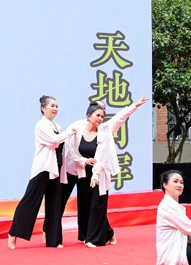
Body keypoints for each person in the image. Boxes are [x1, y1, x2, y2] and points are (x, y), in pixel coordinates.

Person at [62, 96, 148, 247]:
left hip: (99, 174)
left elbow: (119, 118)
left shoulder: (104, 130)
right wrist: (84, 161)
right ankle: (107, 233)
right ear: (88, 116)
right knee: (86, 205)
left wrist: (134, 106)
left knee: (97, 205)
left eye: (102, 116)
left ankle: (93, 239)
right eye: (98, 115)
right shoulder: (78, 129)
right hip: (83, 173)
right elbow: (73, 153)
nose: (100, 118)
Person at [8, 95, 76, 249]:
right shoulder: (41, 126)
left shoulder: (56, 126)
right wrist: (69, 132)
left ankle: (53, 240)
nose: (55, 108)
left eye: (56, 106)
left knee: (55, 205)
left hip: (56, 170)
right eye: (52, 106)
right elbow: (53, 141)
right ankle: (13, 233)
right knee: (30, 202)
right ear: (43, 108)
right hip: (43, 169)